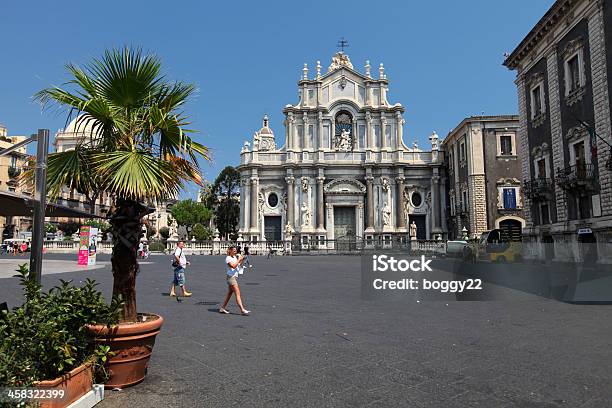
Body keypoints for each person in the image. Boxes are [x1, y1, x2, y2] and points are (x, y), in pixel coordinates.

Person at [219, 246, 250, 315]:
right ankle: (242, 309)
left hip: (234, 277)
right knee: (237, 293)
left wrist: (242, 259)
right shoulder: (228, 258)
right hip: (231, 278)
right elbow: (233, 266)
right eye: (234, 251)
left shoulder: (234, 257)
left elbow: (239, 265)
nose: (235, 252)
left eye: (235, 250)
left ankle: (222, 308)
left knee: (229, 294)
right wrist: (239, 260)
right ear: (230, 251)